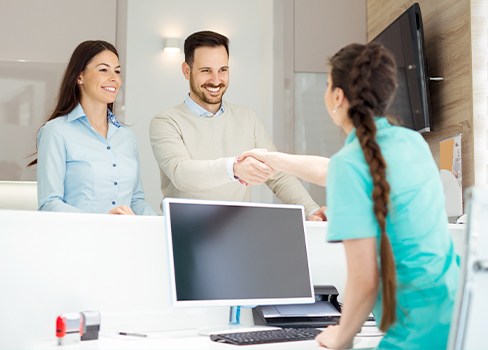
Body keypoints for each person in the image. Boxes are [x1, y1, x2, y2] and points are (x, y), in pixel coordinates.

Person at [239, 42, 459, 349]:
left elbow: (364, 280)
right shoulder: (412, 142)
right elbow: (333, 169)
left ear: (338, 97)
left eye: (328, 84)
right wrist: (273, 158)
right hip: (459, 316)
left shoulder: (352, 163)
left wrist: (341, 335)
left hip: (415, 331)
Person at [149, 30, 325, 220]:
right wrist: (233, 168)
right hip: (183, 231)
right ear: (186, 70)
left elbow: (277, 175)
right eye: (206, 70)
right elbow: (181, 173)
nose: (216, 80)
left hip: (237, 230)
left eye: (223, 70)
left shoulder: (247, 118)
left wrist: (311, 210)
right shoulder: (166, 121)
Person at [29, 40, 155, 215]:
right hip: (79, 239)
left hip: (124, 239)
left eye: (117, 71)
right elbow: (49, 203)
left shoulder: (127, 137)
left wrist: (160, 224)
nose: (114, 78)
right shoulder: (56, 131)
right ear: (80, 76)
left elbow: (136, 200)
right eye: (103, 69)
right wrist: (101, 221)